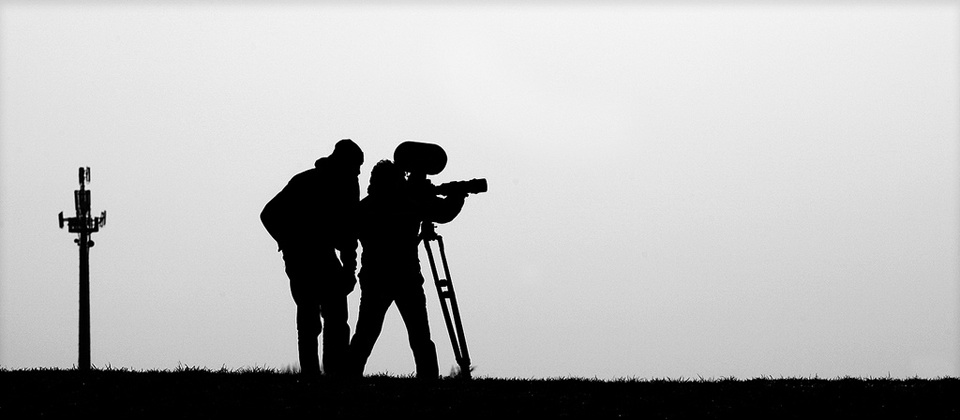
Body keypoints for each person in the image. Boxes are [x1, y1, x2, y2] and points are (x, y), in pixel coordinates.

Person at [348, 159, 465, 379]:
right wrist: (457, 196)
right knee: (419, 336)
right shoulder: (409, 204)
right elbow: (444, 212)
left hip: (378, 278)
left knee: (367, 334)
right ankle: (428, 381)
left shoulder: (366, 207)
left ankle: (349, 378)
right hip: (404, 278)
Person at [261, 139, 363, 378]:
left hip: (320, 257)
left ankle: (329, 374)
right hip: (304, 259)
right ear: (343, 163)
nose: (359, 172)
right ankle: (315, 374)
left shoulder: (345, 184)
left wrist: (349, 269)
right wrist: (289, 244)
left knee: (331, 318)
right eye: (356, 166)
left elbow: (349, 232)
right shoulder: (307, 181)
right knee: (313, 318)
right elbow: (268, 214)